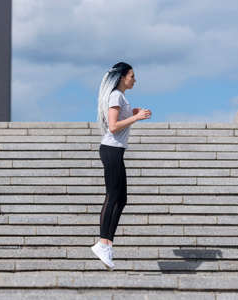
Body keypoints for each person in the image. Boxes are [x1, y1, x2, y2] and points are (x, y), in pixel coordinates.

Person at [91, 62, 151, 270]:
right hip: (111, 149)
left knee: (121, 198)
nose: (135, 79)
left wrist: (131, 112)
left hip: (115, 151)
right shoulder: (116, 95)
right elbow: (113, 126)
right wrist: (136, 117)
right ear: (122, 77)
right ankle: (102, 242)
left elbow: (117, 119)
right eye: (132, 76)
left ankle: (106, 243)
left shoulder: (120, 97)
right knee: (112, 196)